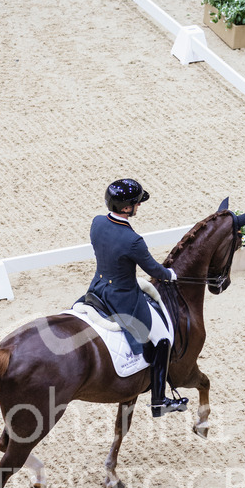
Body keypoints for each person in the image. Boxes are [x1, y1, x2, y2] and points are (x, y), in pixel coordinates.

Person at [86, 178, 189, 417]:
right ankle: (159, 401)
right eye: (136, 204)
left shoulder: (97, 223)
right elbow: (153, 269)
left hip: (98, 287)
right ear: (126, 208)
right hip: (123, 297)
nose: (138, 207)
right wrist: (171, 274)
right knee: (163, 339)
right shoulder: (133, 241)